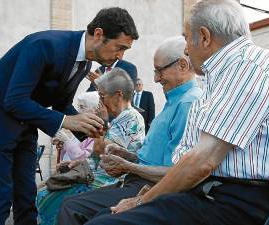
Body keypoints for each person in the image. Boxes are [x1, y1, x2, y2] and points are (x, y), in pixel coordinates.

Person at [82, 1, 269, 225]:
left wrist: (142, 201)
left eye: (187, 37)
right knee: (105, 216)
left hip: (238, 202)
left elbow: (203, 162)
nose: (186, 49)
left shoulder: (249, 67)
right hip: (211, 193)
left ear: (205, 37)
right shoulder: (222, 76)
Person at [0, 7, 139, 225]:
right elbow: (14, 100)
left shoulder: (84, 64)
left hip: (24, 118)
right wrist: (67, 121)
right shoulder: (45, 46)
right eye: (120, 47)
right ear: (98, 34)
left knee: (27, 194)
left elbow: (61, 104)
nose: (120, 56)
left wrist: (88, 130)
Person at [58, 36, 202, 225]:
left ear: (183, 65)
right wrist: (126, 156)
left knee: (73, 207)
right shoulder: (175, 101)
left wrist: (128, 166)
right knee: (71, 204)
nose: (155, 78)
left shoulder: (187, 104)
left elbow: (176, 172)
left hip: (149, 186)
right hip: (135, 180)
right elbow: (150, 157)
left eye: (159, 71)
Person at [38, 68, 145, 225]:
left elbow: (101, 150)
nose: (100, 103)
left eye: (102, 96)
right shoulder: (119, 118)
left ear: (118, 94)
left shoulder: (129, 117)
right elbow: (96, 156)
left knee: (51, 198)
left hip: (109, 182)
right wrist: (80, 163)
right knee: (45, 192)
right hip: (97, 176)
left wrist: (103, 122)